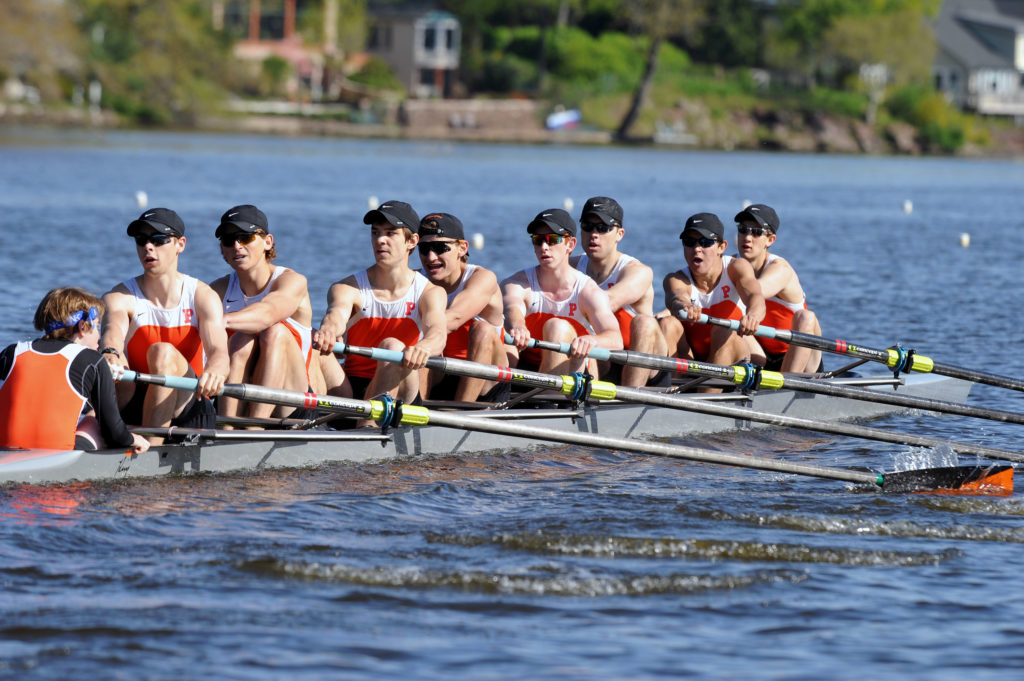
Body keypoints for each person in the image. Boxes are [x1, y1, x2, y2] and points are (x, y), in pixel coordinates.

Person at [100, 208, 230, 442]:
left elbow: (219, 352)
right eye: (142, 240)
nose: (148, 246)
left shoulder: (202, 296)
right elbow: (112, 334)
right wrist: (111, 353)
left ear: (180, 244)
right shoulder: (119, 297)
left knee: (162, 352)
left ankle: (149, 450)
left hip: (190, 408)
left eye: (159, 240)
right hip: (134, 403)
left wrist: (216, 371)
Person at [312, 200, 447, 405]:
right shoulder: (347, 288)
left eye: (390, 233)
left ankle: (367, 427)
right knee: (308, 338)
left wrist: (424, 348)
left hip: (401, 385)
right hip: (350, 388)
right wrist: (328, 331)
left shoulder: (430, 293)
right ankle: (311, 422)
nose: (380, 240)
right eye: (375, 233)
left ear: (412, 241)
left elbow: (437, 333)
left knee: (392, 347)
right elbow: (336, 315)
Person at [209, 204, 324, 423]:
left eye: (245, 237)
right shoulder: (216, 291)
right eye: (228, 240)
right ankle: (226, 429)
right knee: (241, 340)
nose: (236, 246)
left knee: (273, 331)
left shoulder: (291, 281)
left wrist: (219, 321)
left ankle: (254, 429)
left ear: (267, 242)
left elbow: (266, 313)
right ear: (222, 249)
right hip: (237, 400)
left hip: (291, 405)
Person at [0, 287, 149, 454]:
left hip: (5, 451)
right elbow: (113, 433)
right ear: (82, 327)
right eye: (97, 327)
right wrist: (132, 439)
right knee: (93, 418)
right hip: (58, 456)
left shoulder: (12, 353)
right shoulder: (92, 361)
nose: (99, 338)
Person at [503, 208, 623, 376]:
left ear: (570, 244)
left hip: (576, 371)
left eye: (552, 240)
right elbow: (512, 307)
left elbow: (615, 339)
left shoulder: (588, 291)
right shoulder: (518, 283)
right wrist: (518, 326)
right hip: (530, 366)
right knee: (495, 330)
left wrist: (591, 341)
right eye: (538, 240)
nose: (544, 247)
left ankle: (547, 399)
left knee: (556, 327)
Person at [571, 196, 669, 387]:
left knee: (644, 323)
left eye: (603, 228)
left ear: (619, 234)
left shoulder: (637, 271)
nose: (594, 234)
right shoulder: (570, 267)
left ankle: (630, 400)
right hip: (599, 361)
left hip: (642, 365)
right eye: (588, 227)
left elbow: (607, 301)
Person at [416, 211, 509, 403]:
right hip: (439, 372)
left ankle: (461, 412)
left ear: (462, 248)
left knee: (482, 330)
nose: (431, 257)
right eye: (424, 249)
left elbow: (455, 318)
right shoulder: (416, 281)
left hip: (485, 381)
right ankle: (416, 415)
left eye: (440, 247)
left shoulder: (482, 278)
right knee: (423, 347)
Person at [659, 212, 766, 370]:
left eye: (705, 242)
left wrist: (753, 316)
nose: (697, 249)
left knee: (723, 330)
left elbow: (755, 297)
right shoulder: (675, 279)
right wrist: (685, 306)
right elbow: (677, 297)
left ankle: (702, 391)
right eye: (689, 242)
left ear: (721, 247)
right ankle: (672, 388)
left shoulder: (737, 268)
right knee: (667, 323)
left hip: (732, 358)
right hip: (691, 357)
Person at [733, 203, 822, 373]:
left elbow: (754, 292)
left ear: (770, 240)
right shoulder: (731, 265)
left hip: (798, 355)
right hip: (760, 353)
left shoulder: (780, 269)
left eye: (757, 232)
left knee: (807, 317)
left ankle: (788, 385)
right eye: (743, 229)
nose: (748, 237)